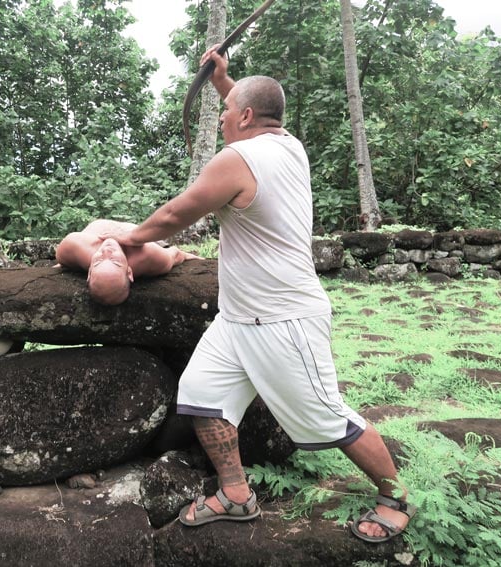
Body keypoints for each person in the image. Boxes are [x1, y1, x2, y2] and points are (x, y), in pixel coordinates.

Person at [98, 47, 415, 542]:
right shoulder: (288, 145)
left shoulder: (236, 159)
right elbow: (252, 111)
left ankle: (395, 497)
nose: (222, 118)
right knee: (202, 398)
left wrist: (123, 239)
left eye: (226, 111)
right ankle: (236, 495)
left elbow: (172, 219)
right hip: (238, 318)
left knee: (326, 417)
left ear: (244, 118)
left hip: (283, 317)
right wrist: (225, 81)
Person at [55, 219, 200, 305]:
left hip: (111, 229)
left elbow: (64, 262)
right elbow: (174, 255)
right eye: (115, 261)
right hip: (136, 234)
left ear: (89, 272)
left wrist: (68, 264)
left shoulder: (73, 246)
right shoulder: (147, 255)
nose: (107, 250)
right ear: (129, 271)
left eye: (99, 260)